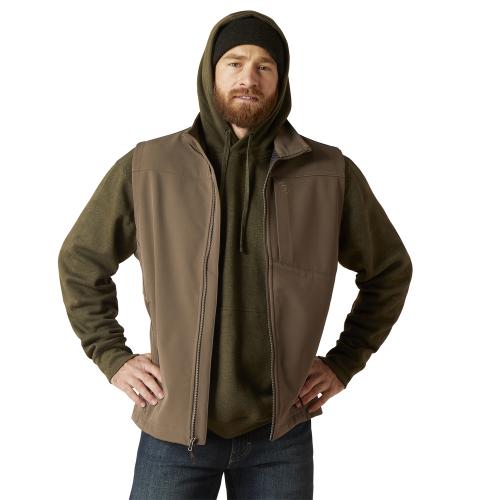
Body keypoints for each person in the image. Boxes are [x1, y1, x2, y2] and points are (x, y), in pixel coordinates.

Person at [58, 9, 413, 500]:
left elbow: (389, 270)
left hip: (280, 435)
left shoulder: (329, 173)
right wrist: (111, 355)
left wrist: (345, 361)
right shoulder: (148, 167)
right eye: (235, 62)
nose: (249, 77)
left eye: (265, 66)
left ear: (281, 81)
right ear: (211, 72)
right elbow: (80, 260)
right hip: (174, 431)